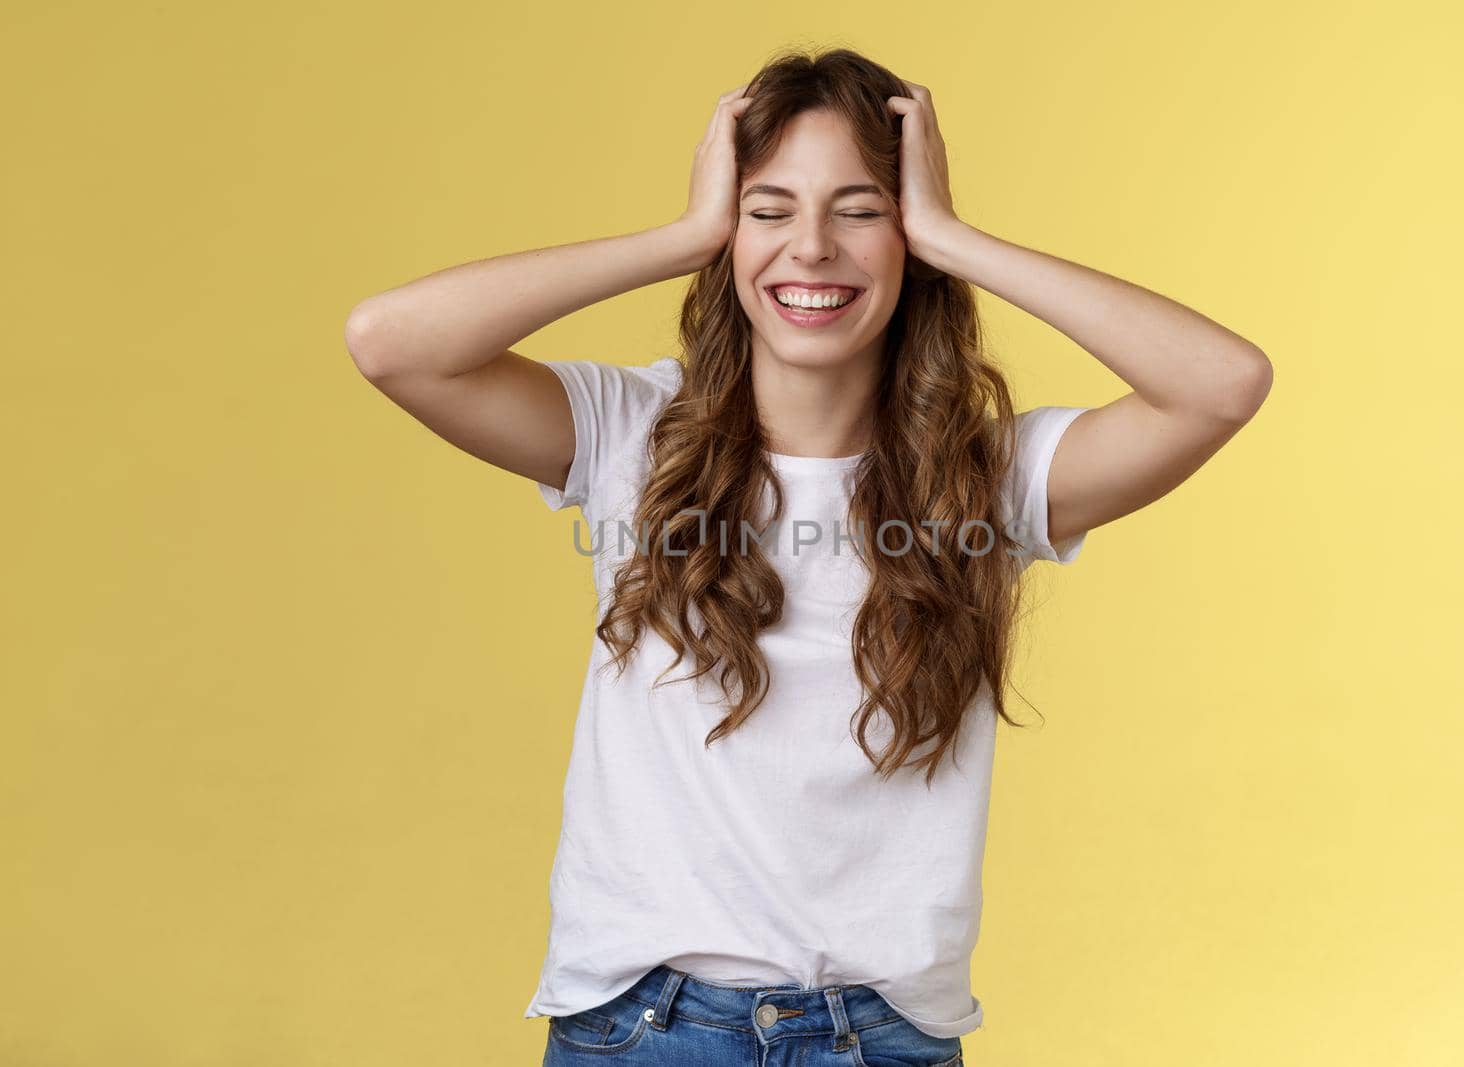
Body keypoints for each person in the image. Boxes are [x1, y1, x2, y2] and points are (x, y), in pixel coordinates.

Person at [345, 47, 1270, 1067]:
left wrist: (956, 238)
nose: (812, 248)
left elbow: (1221, 383)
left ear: (908, 235)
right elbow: (390, 340)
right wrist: (682, 235)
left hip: (884, 1039)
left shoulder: (987, 479)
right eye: (770, 209)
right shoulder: (630, 434)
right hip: (646, 1030)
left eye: (861, 210)